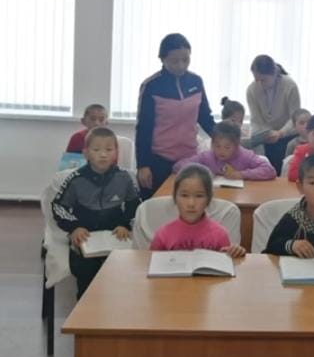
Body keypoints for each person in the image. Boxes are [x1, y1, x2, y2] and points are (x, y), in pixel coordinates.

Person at [52, 127, 141, 298]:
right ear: (86, 153)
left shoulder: (124, 178)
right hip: (85, 236)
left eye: (109, 149)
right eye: (96, 149)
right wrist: (74, 227)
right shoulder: (76, 179)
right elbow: (58, 207)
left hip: (115, 235)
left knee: (121, 274)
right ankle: (85, 307)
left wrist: (125, 225)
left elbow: (135, 205)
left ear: (116, 153)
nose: (103, 154)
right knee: (86, 273)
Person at [135, 33, 215, 199]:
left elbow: (206, 118)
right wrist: (142, 165)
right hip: (158, 160)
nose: (181, 65)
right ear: (162, 59)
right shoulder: (151, 86)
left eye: (185, 59)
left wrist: (224, 138)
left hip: (189, 159)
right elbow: (144, 128)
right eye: (174, 61)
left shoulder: (196, 81)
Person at [150, 163, 246, 258]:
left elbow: (227, 263)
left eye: (199, 196)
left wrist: (236, 253)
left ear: (208, 199)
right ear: (175, 198)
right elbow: (150, 263)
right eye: (184, 195)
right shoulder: (162, 235)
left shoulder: (220, 235)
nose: (191, 203)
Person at [246, 54, 301, 174]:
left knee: (285, 168)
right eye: (256, 79)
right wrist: (265, 134)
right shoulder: (251, 90)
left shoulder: (290, 86)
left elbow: (295, 118)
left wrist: (280, 133)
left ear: (275, 73)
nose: (259, 83)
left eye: (263, 80)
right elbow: (256, 120)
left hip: (288, 136)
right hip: (268, 138)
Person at [172, 121, 277, 181]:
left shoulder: (245, 155)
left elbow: (270, 170)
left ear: (236, 145)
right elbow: (178, 166)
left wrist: (241, 174)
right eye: (217, 146)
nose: (221, 151)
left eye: (227, 147)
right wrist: (203, 171)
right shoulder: (207, 156)